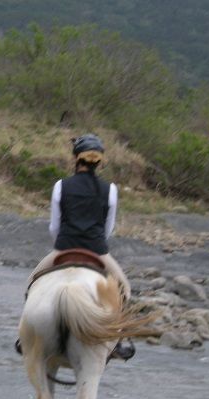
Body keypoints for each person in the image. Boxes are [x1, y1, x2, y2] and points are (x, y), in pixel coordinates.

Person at [20, 134, 134, 360]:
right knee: (125, 290)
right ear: (99, 161)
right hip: (98, 251)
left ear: (75, 159)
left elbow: (55, 226)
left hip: (63, 248)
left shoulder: (60, 185)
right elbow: (108, 227)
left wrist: (63, 244)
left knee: (31, 283)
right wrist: (96, 243)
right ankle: (120, 340)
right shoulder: (110, 189)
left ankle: (24, 336)